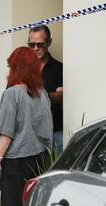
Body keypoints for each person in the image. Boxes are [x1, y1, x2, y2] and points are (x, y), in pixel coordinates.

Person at [0, 47, 53, 206]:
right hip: (40, 161)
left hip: (15, 163)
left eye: (10, 66)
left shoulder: (12, 93)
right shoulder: (42, 95)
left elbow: (7, 132)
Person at [28, 25, 64, 154]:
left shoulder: (59, 68)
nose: (35, 48)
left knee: (58, 172)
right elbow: (12, 95)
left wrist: (35, 97)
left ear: (49, 43)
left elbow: (61, 96)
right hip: (29, 134)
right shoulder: (22, 70)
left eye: (40, 44)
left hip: (54, 131)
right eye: (31, 45)